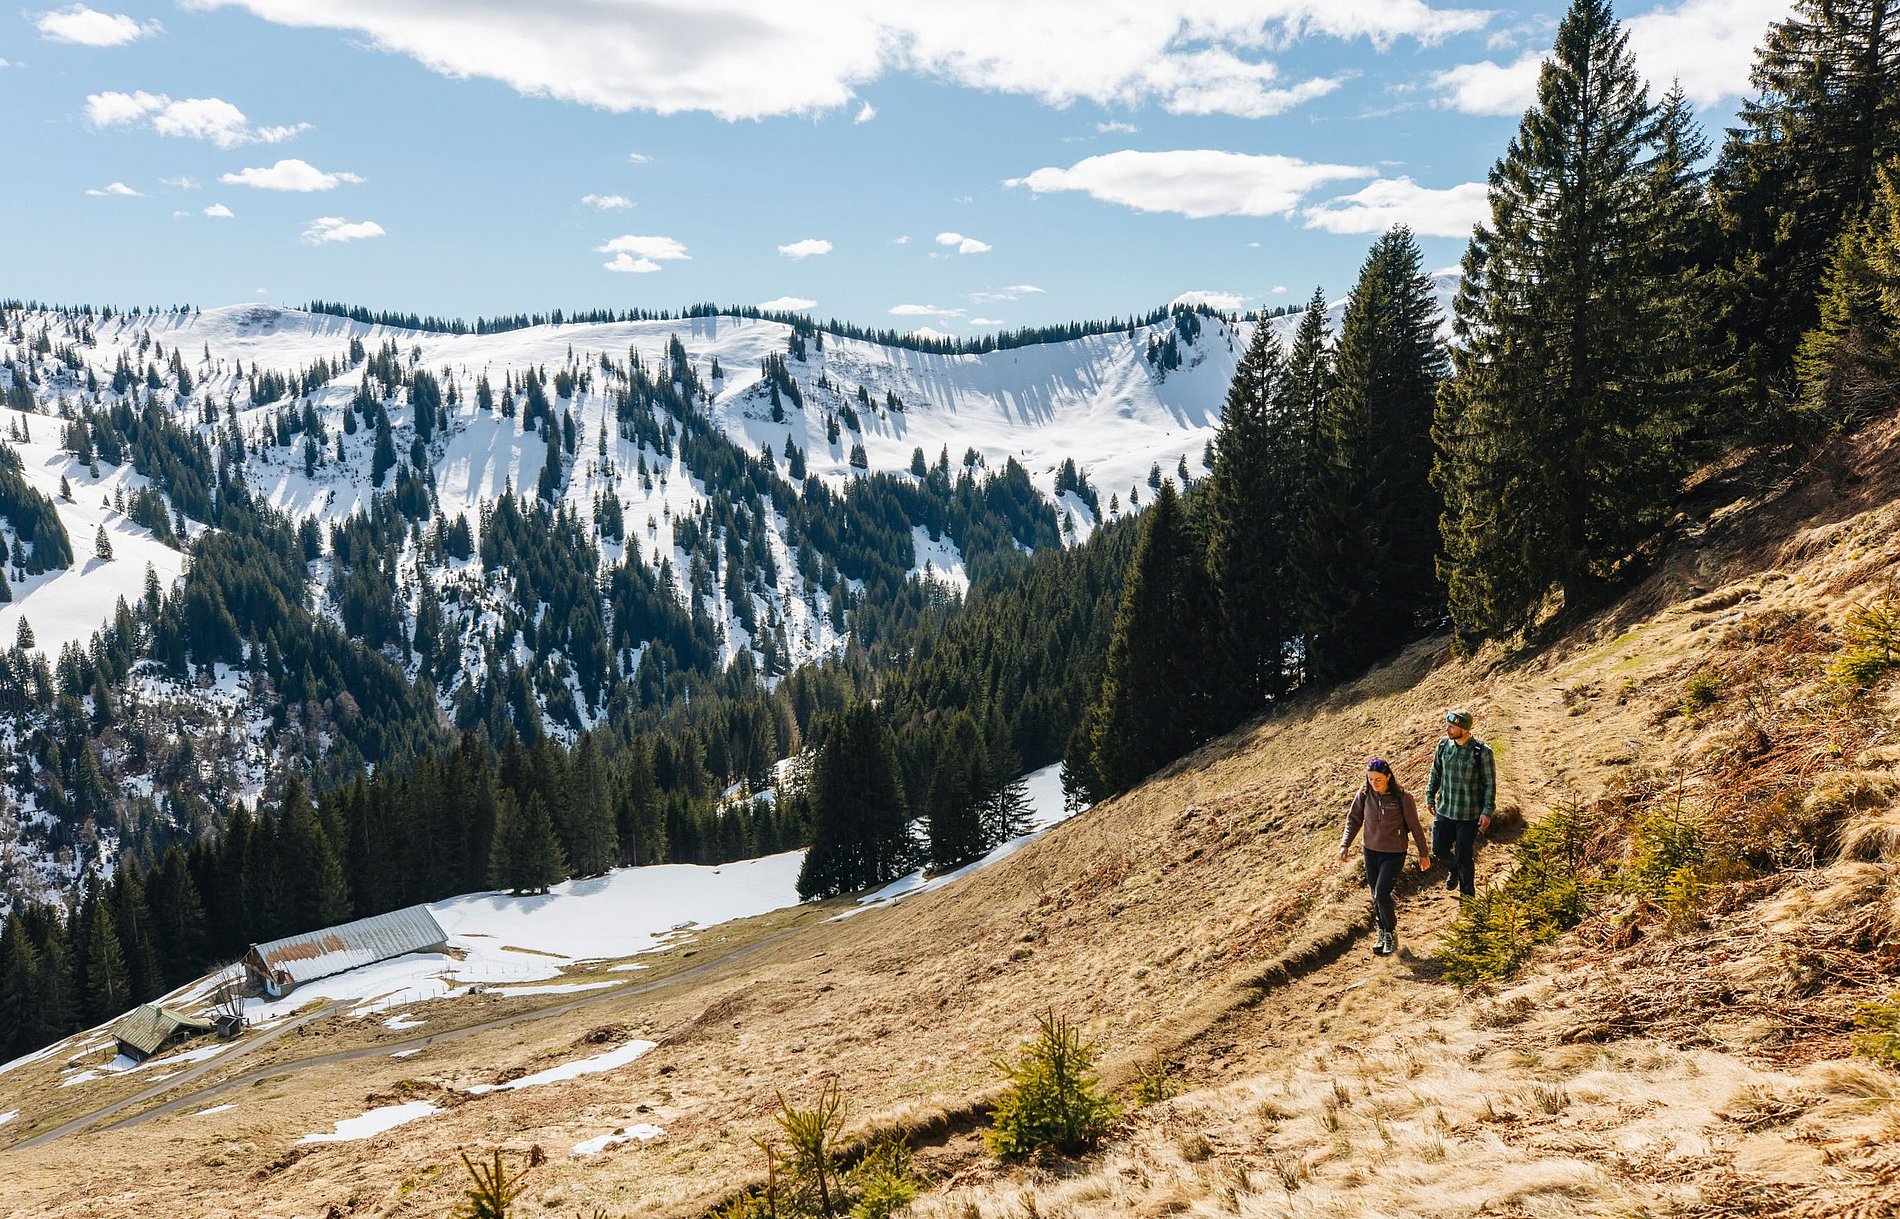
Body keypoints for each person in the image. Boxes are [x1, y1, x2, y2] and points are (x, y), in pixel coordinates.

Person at [1338, 758, 1430, 956]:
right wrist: (1345, 844)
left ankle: (1390, 932)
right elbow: (1353, 820)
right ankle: (1382, 930)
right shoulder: (1364, 794)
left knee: (1381, 892)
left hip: (1394, 853)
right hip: (1370, 851)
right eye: (1370, 779)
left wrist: (1424, 854)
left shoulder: (1403, 798)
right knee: (1375, 894)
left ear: (1388, 776)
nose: (1374, 783)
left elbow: (1415, 827)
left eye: (1378, 779)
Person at [1426, 709, 1495, 897]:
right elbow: (1435, 772)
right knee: (1438, 849)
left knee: (1464, 857)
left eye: (1452, 727)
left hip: (1468, 815)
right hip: (1444, 810)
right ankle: (1453, 869)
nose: (1447, 729)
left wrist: (1487, 811)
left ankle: (1467, 899)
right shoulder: (1443, 746)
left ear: (1464, 728)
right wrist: (1430, 795)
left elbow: (1489, 784)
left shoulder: (1482, 752)